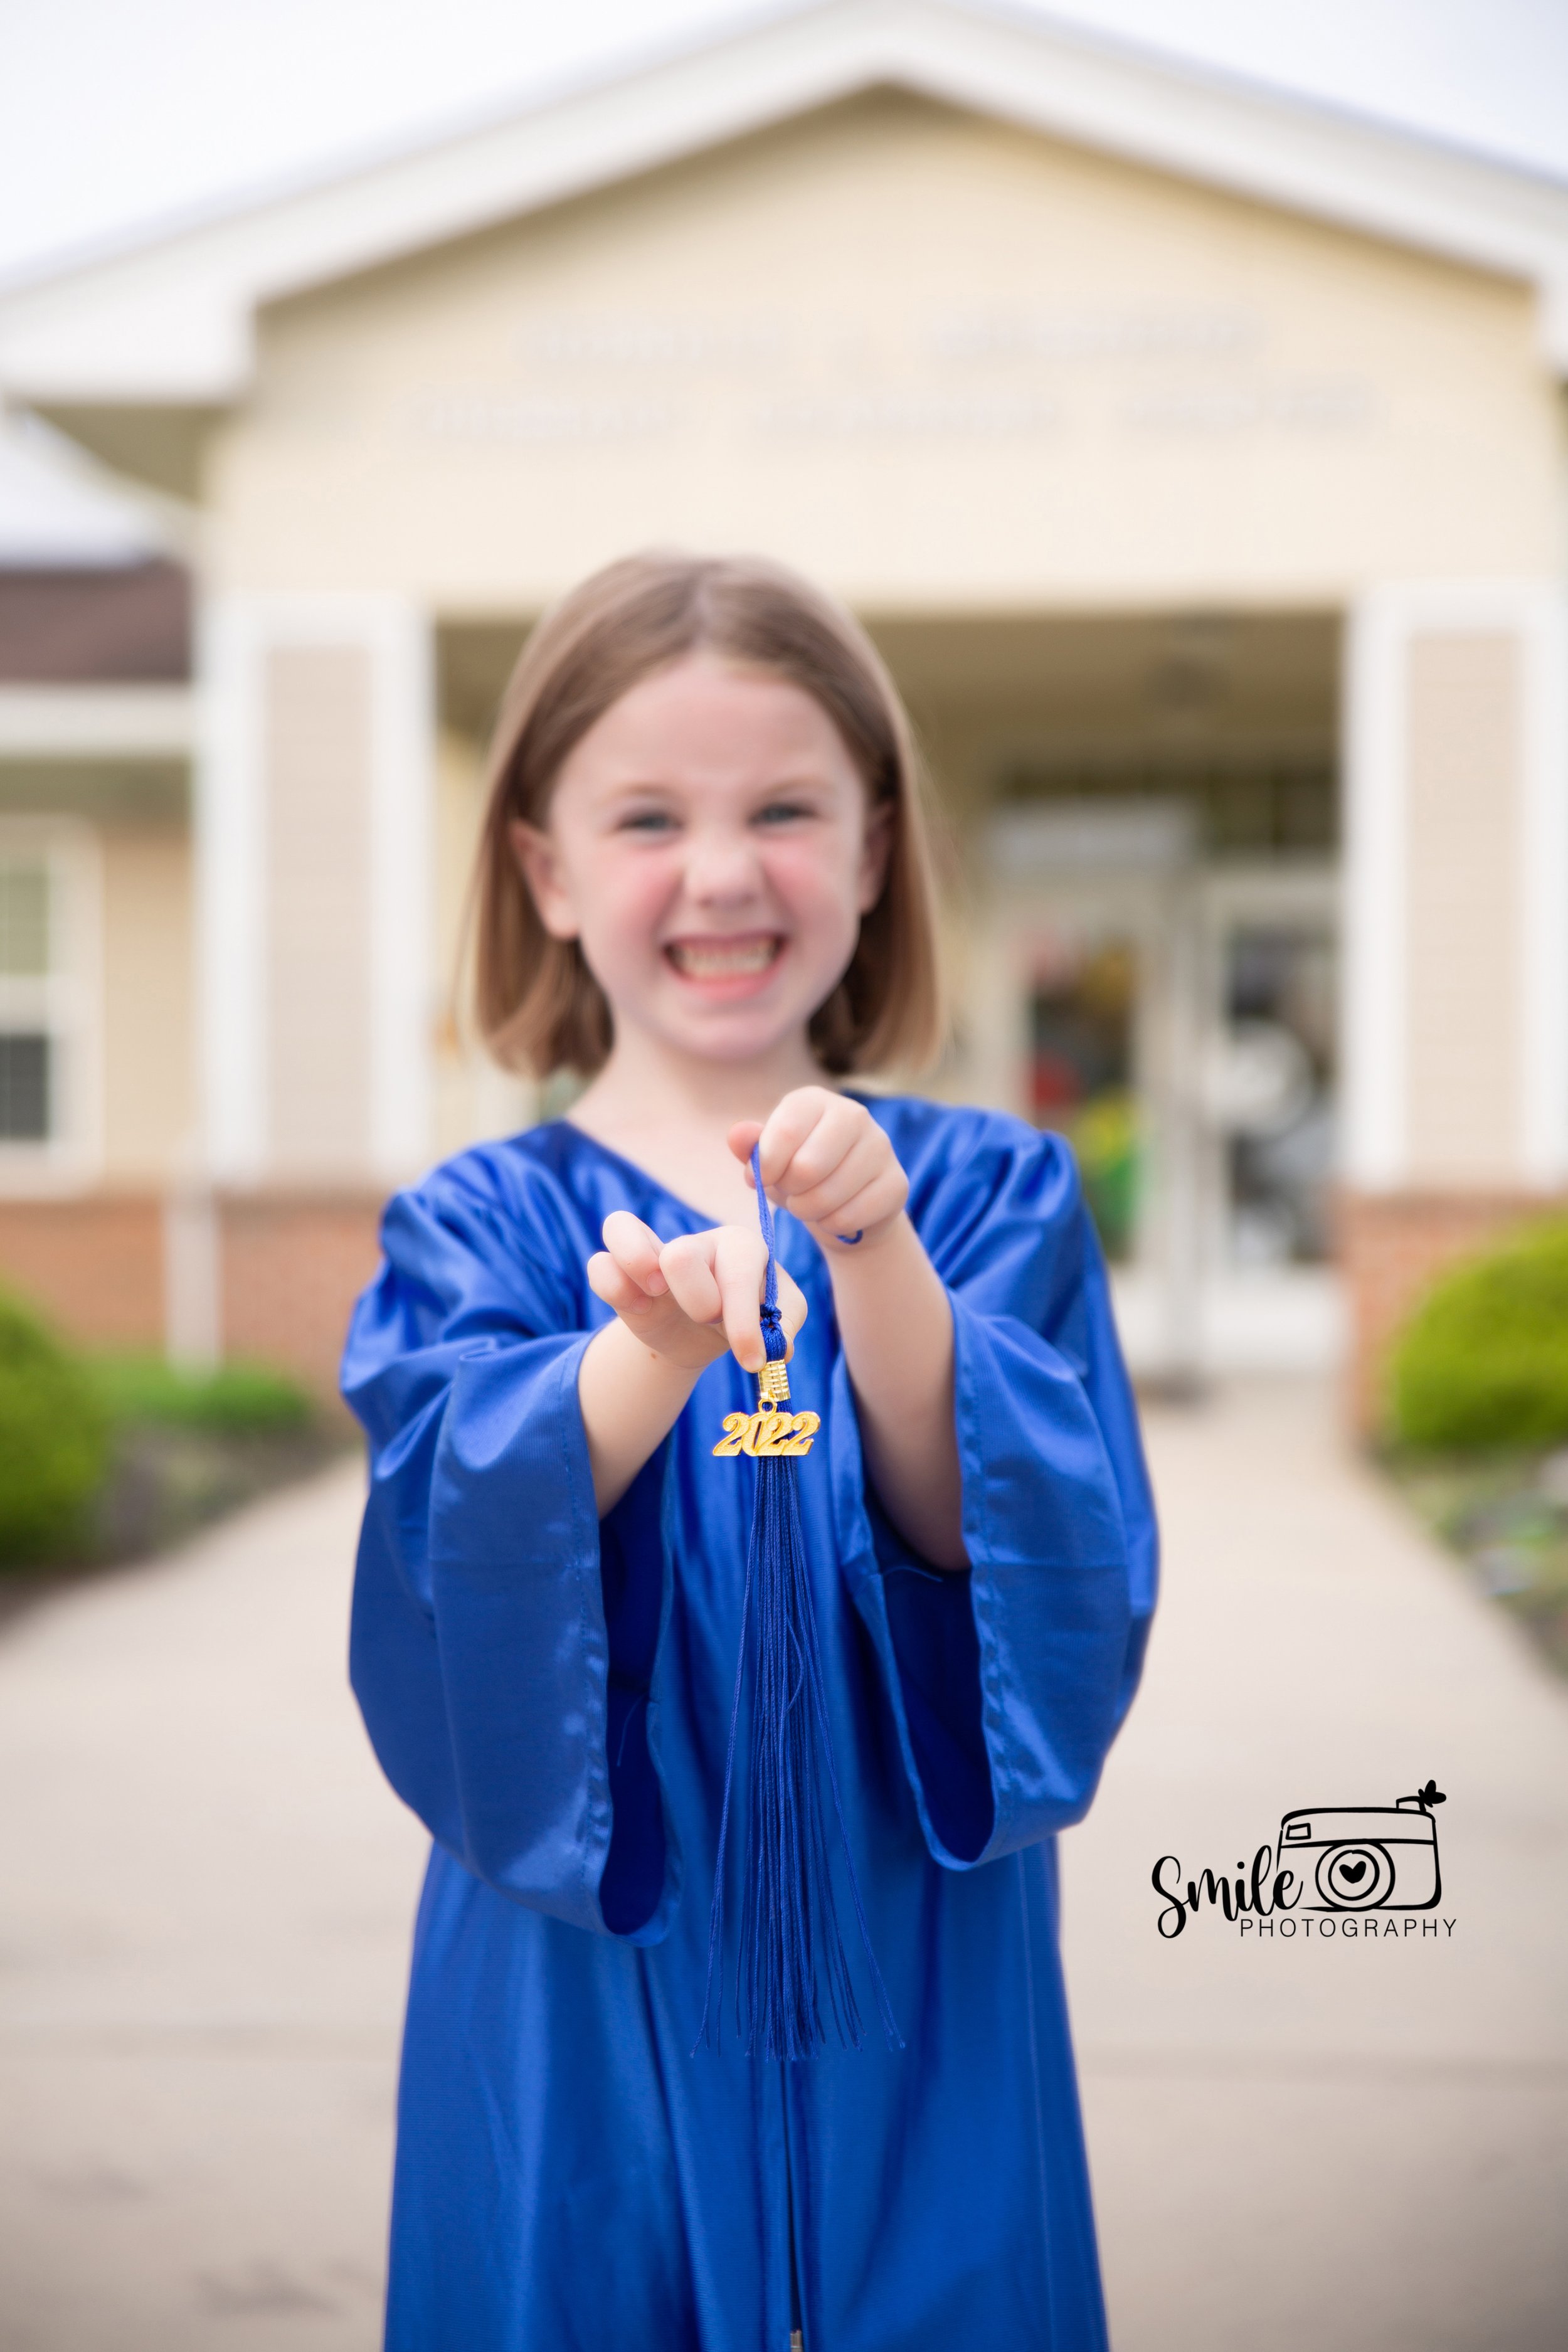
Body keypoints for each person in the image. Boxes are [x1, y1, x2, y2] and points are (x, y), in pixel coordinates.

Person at [342, 552, 1158, 2351]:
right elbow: (450, 1553)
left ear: (872, 851)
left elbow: (1022, 1557)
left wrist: (874, 1257)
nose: (721, 873)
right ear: (547, 874)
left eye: (784, 809)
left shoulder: (988, 1192)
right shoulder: (475, 1226)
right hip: (583, 1996)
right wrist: (647, 1357)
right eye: (647, 818)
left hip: (916, 1970)